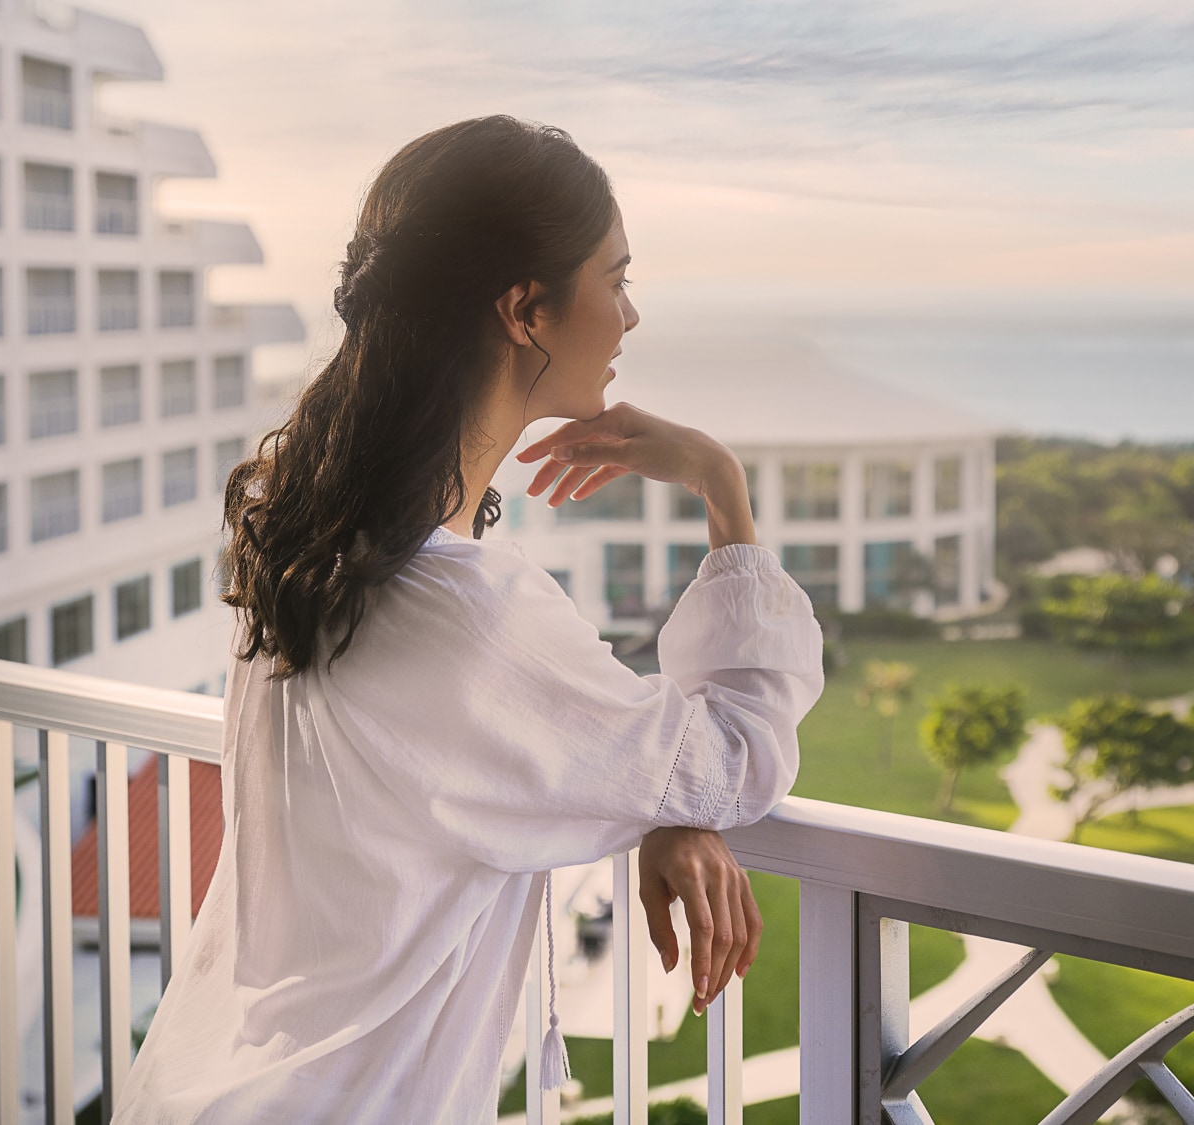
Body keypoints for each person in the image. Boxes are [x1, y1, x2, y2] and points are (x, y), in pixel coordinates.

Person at [115, 116, 824, 1123]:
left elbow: (532, 764)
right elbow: (737, 757)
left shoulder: (310, 537)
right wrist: (721, 488)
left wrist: (649, 807)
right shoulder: (463, 613)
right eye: (615, 280)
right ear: (524, 309)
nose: (628, 318)